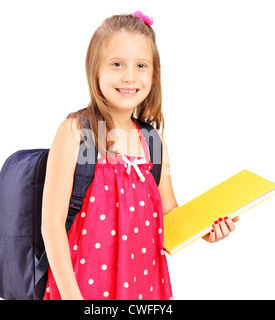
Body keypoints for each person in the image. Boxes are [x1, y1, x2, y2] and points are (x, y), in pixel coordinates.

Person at [41, 11, 238, 300]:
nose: (129, 76)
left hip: (143, 287)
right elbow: (52, 224)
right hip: (83, 288)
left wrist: (205, 231)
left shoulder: (152, 141)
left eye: (141, 65)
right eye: (117, 64)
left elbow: (169, 215)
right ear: (95, 69)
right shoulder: (77, 132)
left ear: (153, 75)